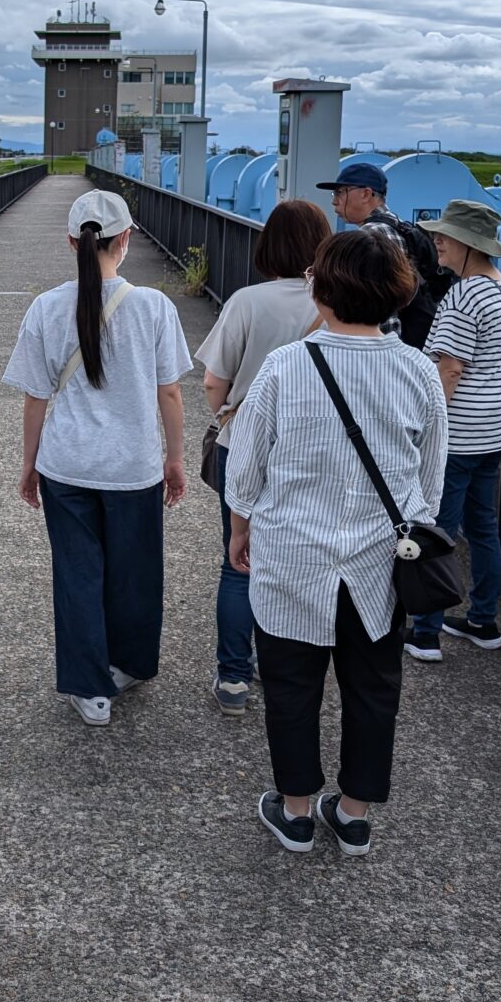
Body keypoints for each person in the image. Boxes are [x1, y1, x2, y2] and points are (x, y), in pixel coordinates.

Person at [225, 230, 446, 855]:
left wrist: (241, 529)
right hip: (380, 565)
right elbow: (430, 482)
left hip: (293, 557)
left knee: (292, 686)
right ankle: (352, 814)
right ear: (398, 297)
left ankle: (295, 810)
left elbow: (245, 469)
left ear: (320, 291)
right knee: (373, 688)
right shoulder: (418, 371)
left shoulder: (286, 366)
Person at [4, 189, 192, 727]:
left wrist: (29, 463)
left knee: (78, 574)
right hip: (133, 465)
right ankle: (127, 664)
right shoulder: (154, 306)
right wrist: (173, 461)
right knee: (134, 573)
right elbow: (170, 393)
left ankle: (90, 690)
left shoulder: (46, 307)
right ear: (126, 238)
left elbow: (36, 395)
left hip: (68, 465)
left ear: (71, 242)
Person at [195, 198, 331, 716]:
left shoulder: (248, 302)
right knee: (301, 563)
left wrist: (230, 412)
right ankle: (289, 673)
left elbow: (214, 381)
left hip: (244, 447)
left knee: (239, 562)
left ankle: (233, 678)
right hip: (310, 451)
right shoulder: (335, 300)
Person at [404, 199, 501, 663]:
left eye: (444, 237)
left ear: (468, 245)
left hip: (460, 430)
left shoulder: (465, 294)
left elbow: (449, 369)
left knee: (437, 527)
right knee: (483, 525)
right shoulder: (500, 288)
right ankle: (482, 619)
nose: (436, 243)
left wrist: (428, 425)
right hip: (494, 426)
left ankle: (426, 632)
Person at [314, 160, 446, 347]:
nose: (334, 200)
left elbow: (383, 303)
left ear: (366, 194)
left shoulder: (373, 235)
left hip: (392, 346)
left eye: (341, 192)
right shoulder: (396, 223)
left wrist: (385, 353)